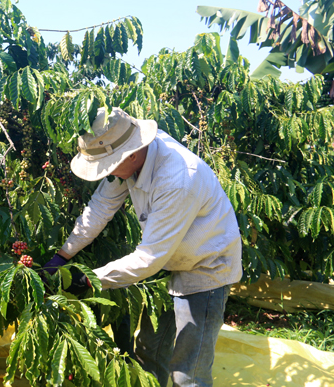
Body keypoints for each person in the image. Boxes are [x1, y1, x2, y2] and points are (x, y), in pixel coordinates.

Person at [42, 107, 242, 387]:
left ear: (132, 154)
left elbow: (148, 258)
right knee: (150, 350)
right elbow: (101, 207)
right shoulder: (130, 158)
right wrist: (62, 255)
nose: (106, 174)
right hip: (168, 261)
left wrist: (89, 281)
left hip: (205, 266)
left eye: (109, 166)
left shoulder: (177, 179)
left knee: (188, 372)